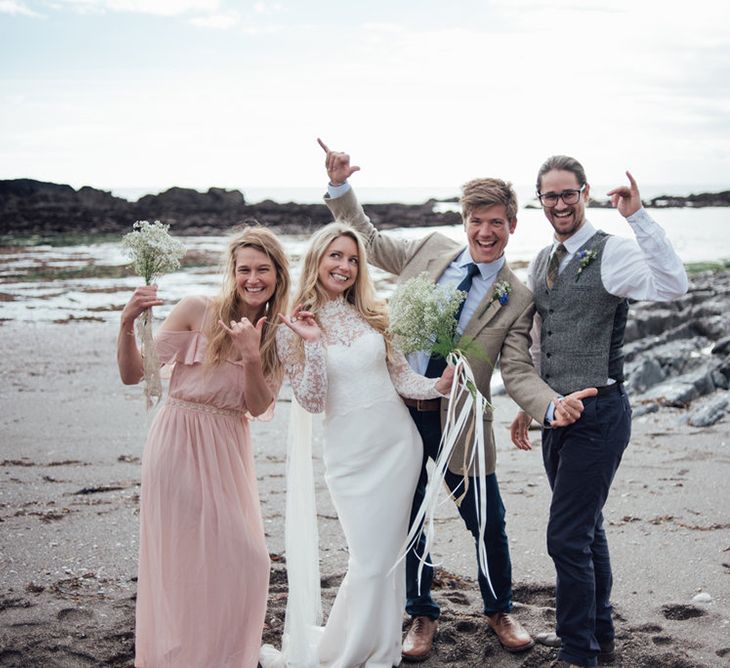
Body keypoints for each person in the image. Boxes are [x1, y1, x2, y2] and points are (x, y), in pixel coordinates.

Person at [317, 139, 596, 661]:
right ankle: (420, 613)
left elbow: (515, 368)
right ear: (464, 221)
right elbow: (370, 242)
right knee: (411, 515)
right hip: (396, 411)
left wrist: (548, 407)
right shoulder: (428, 251)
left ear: (512, 225)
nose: (485, 233)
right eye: (476, 221)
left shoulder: (517, 297)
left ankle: (499, 607)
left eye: (496, 223)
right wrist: (340, 188)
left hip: (463, 421)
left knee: (487, 519)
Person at [510, 156, 688, 668]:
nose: (561, 204)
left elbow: (673, 285)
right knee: (587, 530)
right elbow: (541, 339)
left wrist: (638, 217)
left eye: (569, 194)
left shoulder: (614, 254)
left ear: (585, 194)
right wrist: (531, 404)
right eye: (551, 196)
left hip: (600, 413)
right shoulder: (542, 259)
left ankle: (578, 651)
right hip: (554, 415)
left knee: (566, 536)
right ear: (539, 200)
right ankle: (598, 634)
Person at [274, 222, 454, 668]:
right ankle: (350, 652)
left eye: (353, 259)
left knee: (389, 558)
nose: (345, 266)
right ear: (317, 259)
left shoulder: (373, 313)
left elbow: (400, 378)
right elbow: (312, 400)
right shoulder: (292, 325)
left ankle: (381, 648)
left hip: (398, 445)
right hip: (351, 457)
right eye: (336, 256)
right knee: (369, 560)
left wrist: (440, 385)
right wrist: (314, 345)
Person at [116, 225, 290, 668]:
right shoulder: (197, 309)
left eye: (263, 270)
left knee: (247, 562)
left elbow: (258, 405)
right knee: (187, 561)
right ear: (232, 272)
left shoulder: (278, 334)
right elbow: (135, 375)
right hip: (178, 441)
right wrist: (126, 323)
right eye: (245, 269)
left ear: (277, 275)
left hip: (228, 448)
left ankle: (219, 655)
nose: (254, 278)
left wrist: (252, 355)